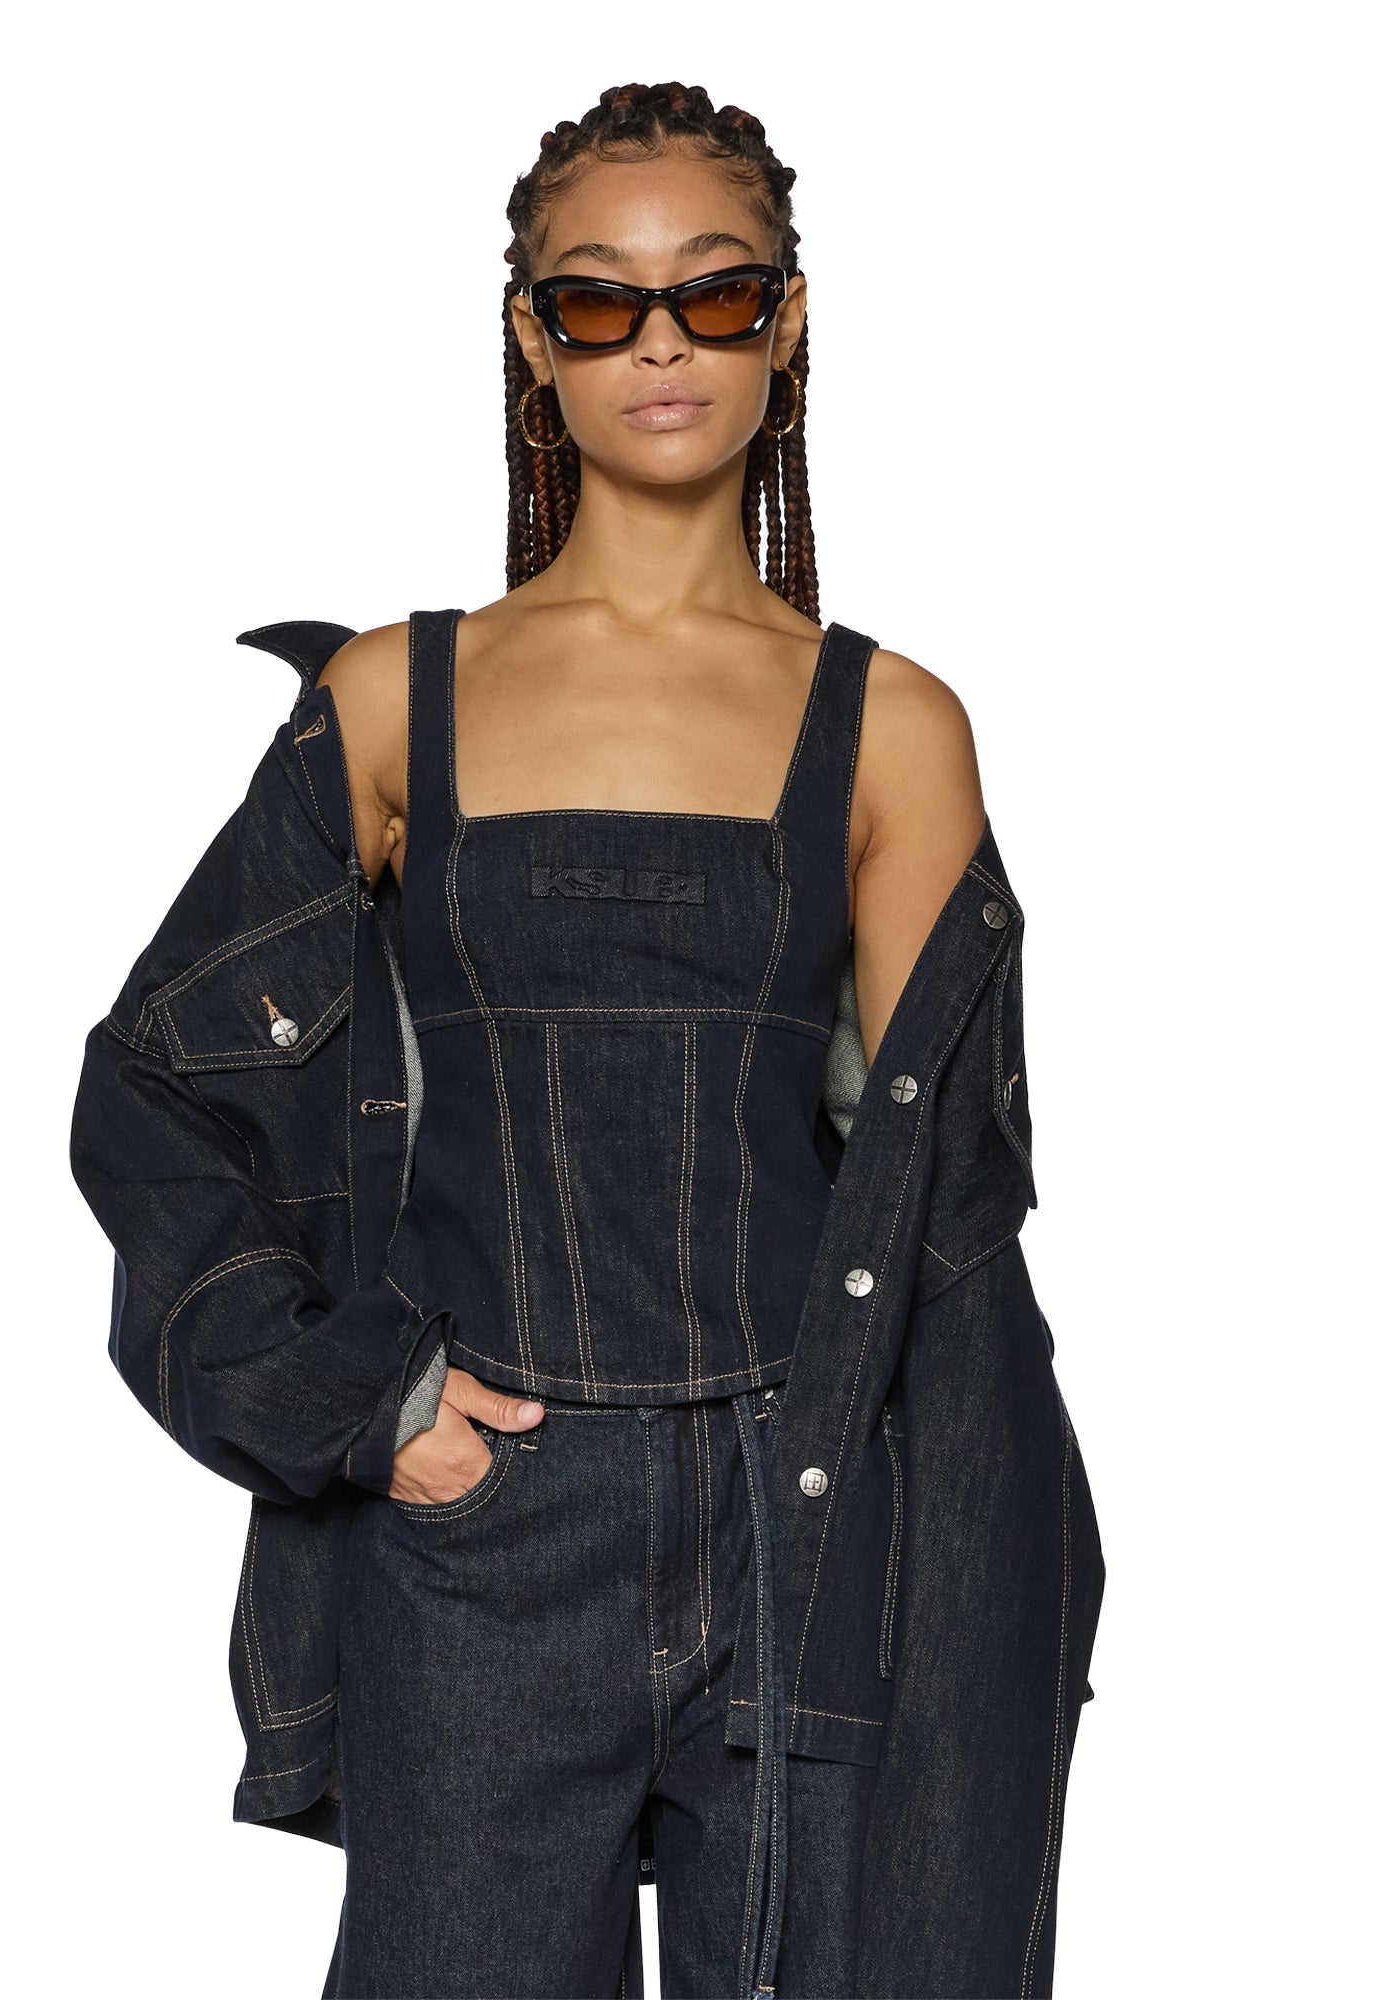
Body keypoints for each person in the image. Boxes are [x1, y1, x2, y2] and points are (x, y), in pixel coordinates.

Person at [72, 78, 1103, 2000]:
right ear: (533, 341)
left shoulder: (893, 727)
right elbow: (158, 1096)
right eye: (599, 299)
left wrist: (989, 1610)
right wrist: (364, 1410)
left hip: (808, 1518)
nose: (661, 342)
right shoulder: (398, 701)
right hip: (483, 1534)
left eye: (717, 293)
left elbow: (949, 1221)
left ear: (788, 320)